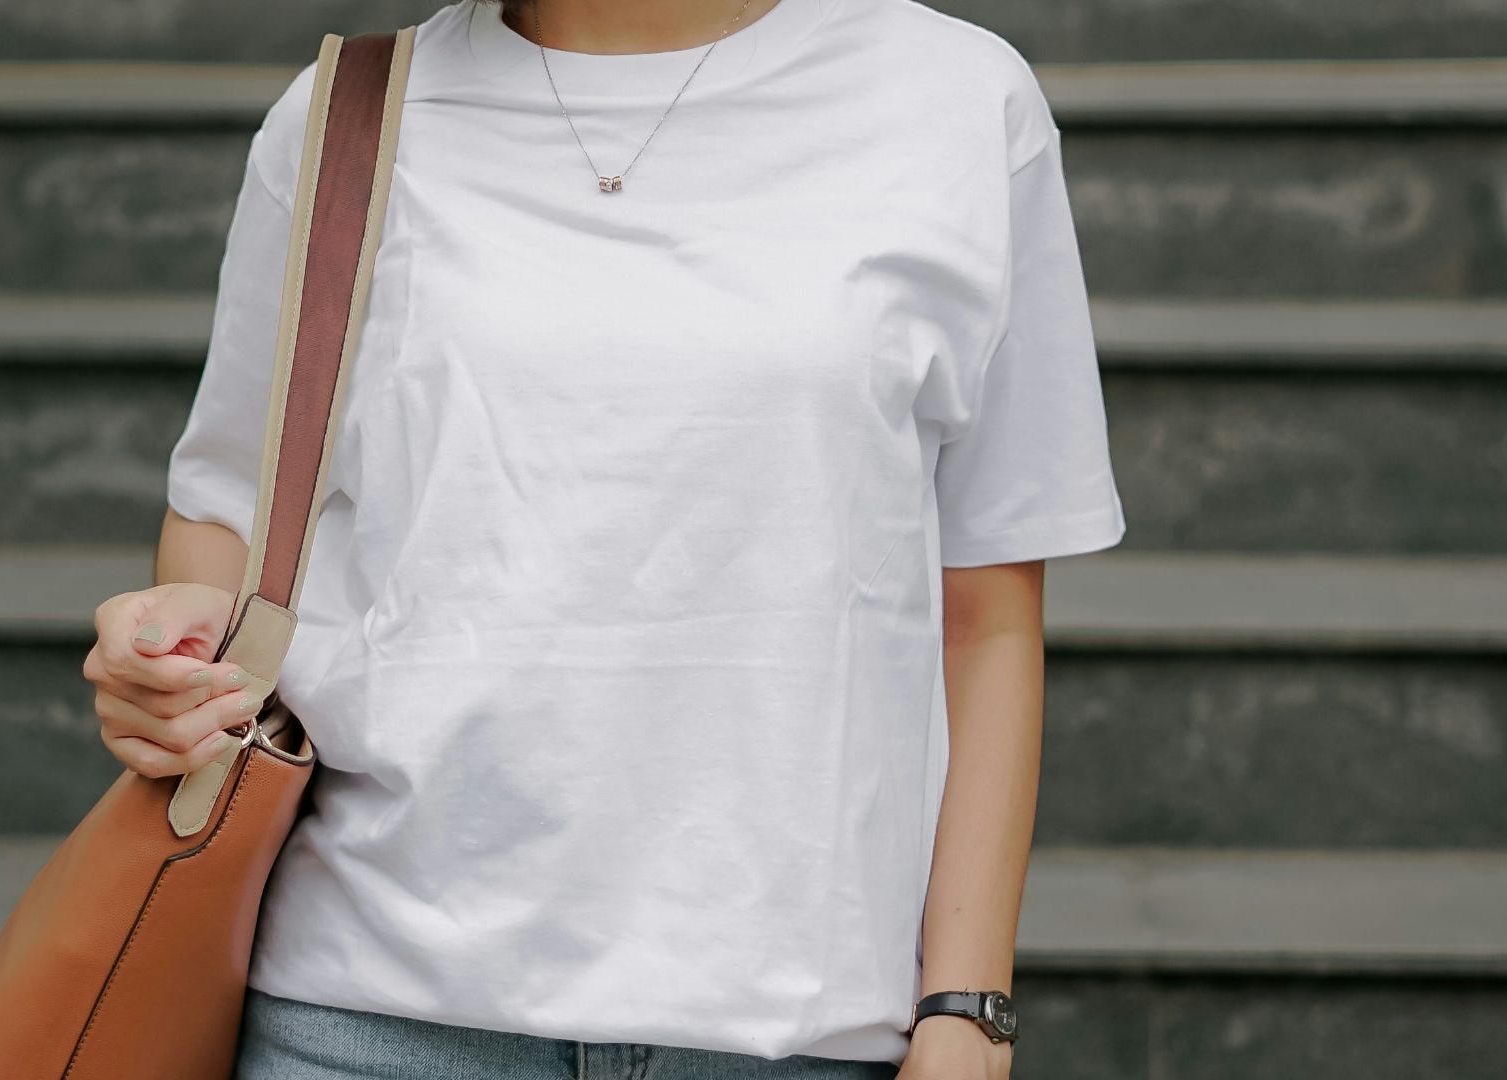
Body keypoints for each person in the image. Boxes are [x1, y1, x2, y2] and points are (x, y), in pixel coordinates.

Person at [80, 0, 1126, 1076]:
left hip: (792, 1031)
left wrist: (969, 1009)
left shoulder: (952, 100)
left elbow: (987, 616)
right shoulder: (343, 119)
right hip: (367, 1015)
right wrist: (173, 658)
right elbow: (229, 518)